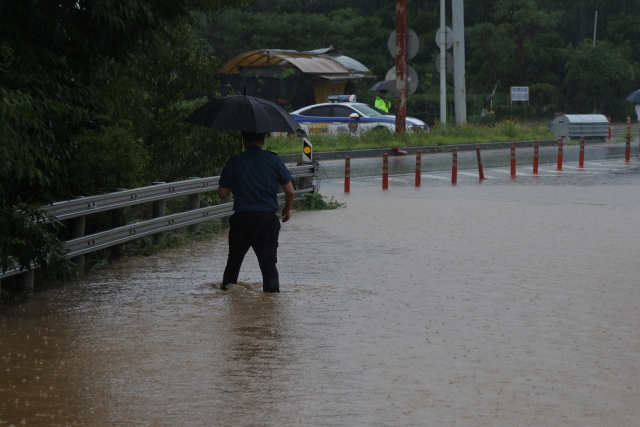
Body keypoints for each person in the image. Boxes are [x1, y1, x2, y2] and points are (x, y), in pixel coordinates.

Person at [218, 131, 295, 293]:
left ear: (243, 140)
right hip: (266, 220)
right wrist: (287, 210)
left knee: (233, 262)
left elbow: (223, 194)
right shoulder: (274, 160)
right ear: (263, 140)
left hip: (241, 220)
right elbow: (290, 191)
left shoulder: (234, 162)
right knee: (268, 266)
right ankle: (271, 299)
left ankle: (228, 298)